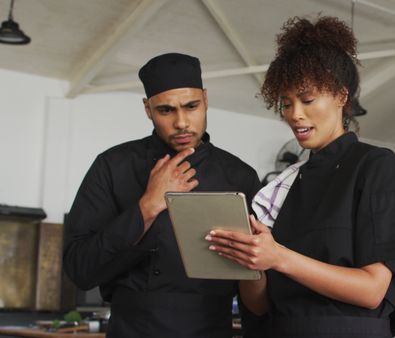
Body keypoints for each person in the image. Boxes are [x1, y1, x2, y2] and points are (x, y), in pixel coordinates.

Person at [206, 16, 395, 338]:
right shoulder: (280, 187)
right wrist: (249, 261)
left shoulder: (375, 167)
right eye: (286, 103)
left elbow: (372, 289)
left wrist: (279, 257)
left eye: (307, 100)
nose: (294, 114)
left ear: (341, 96)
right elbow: (259, 305)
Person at [63, 53, 262, 338]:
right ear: (148, 109)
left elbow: (256, 280)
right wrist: (148, 205)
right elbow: (80, 270)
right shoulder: (112, 166)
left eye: (191, 106)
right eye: (166, 110)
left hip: (211, 329)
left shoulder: (240, 176)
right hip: (132, 329)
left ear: (205, 99)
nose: (181, 122)